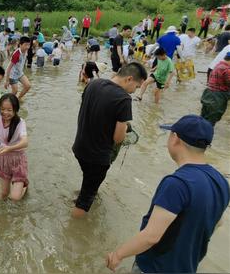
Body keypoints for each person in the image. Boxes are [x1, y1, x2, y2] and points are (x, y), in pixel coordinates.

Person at [106, 115, 229, 273]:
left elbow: (151, 236)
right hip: (187, 267)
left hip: (156, 268)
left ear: (175, 138)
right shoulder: (221, 181)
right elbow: (218, 222)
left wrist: (118, 254)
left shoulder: (177, 183)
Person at [72, 63, 147, 218]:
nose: (136, 90)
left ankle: (86, 193)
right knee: (85, 200)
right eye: (137, 87)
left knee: (89, 183)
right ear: (129, 79)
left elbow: (90, 110)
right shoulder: (124, 99)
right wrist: (125, 128)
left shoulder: (93, 84)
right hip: (97, 157)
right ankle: (73, 230)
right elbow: (118, 138)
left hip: (79, 148)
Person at [200, 52, 230, 126]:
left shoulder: (218, 65)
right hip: (217, 97)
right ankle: (206, 135)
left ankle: (198, 133)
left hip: (208, 93)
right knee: (212, 119)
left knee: (203, 116)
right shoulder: (227, 70)